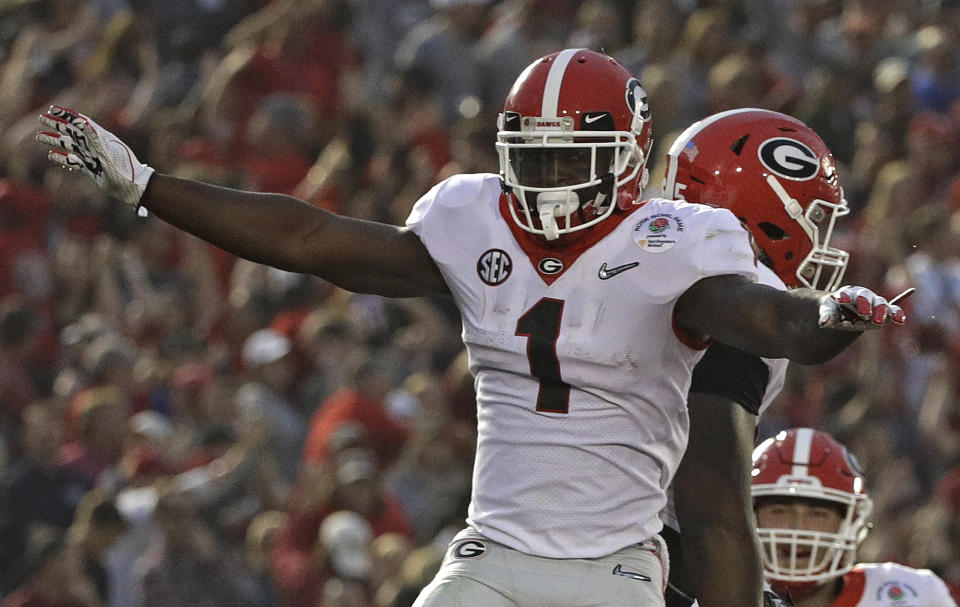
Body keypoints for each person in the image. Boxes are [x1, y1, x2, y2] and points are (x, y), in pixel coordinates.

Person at [36, 49, 906, 607]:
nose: (554, 180)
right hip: (490, 550)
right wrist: (151, 186)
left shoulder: (673, 241)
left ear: (630, 162)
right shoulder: (473, 218)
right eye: (536, 157)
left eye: (576, 158)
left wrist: (822, 320)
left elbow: (751, 314)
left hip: (616, 568)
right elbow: (314, 239)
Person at [659, 108, 856, 607]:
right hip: (620, 552)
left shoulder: (651, 262)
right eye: (813, 220)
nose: (822, 241)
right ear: (768, 209)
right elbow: (709, 498)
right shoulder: (736, 303)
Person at [751, 427, 957, 607]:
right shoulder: (723, 594)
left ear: (849, 523)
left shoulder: (914, 594)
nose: (797, 527)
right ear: (750, 515)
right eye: (779, 510)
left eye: (817, 514)